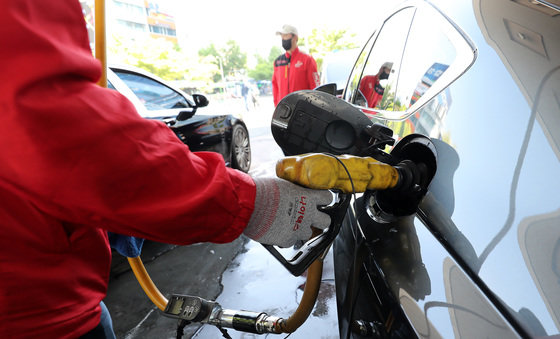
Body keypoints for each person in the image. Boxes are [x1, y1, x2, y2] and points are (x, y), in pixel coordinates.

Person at [0, 1, 332, 338]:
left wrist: (85, 223)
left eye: (288, 36)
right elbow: (54, 125)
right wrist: (251, 204)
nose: (284, 40)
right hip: (38, 317)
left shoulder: (306, 60)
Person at [272, 24, 320, 106]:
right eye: (282, 36)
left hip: (303, 110)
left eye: (286, 35)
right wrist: (277, 106)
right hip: (284, 112)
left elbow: (315, 87)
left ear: (295, 37)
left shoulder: (307, 60)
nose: (283, 39)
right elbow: (275, 87)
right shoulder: (278, 62)